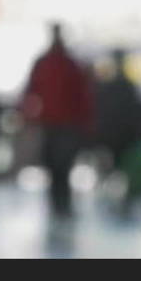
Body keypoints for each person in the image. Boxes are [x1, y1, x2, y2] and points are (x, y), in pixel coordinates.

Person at [20, 23, 94, 218]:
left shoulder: (68, 64)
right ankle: (57, 204)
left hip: (65, 125)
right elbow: (31, 92)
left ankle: (62, 204)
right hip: (52, 124)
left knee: (62, 166)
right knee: (54, 166)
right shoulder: (49, 63)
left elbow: (81, 96)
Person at [95, 49, 141, 214]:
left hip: (120, 135)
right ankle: (120, 200)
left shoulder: (116, 85)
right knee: (119, 169)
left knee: (118, 170)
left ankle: (119, 200)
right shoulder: (125, 85)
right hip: (122, 135)